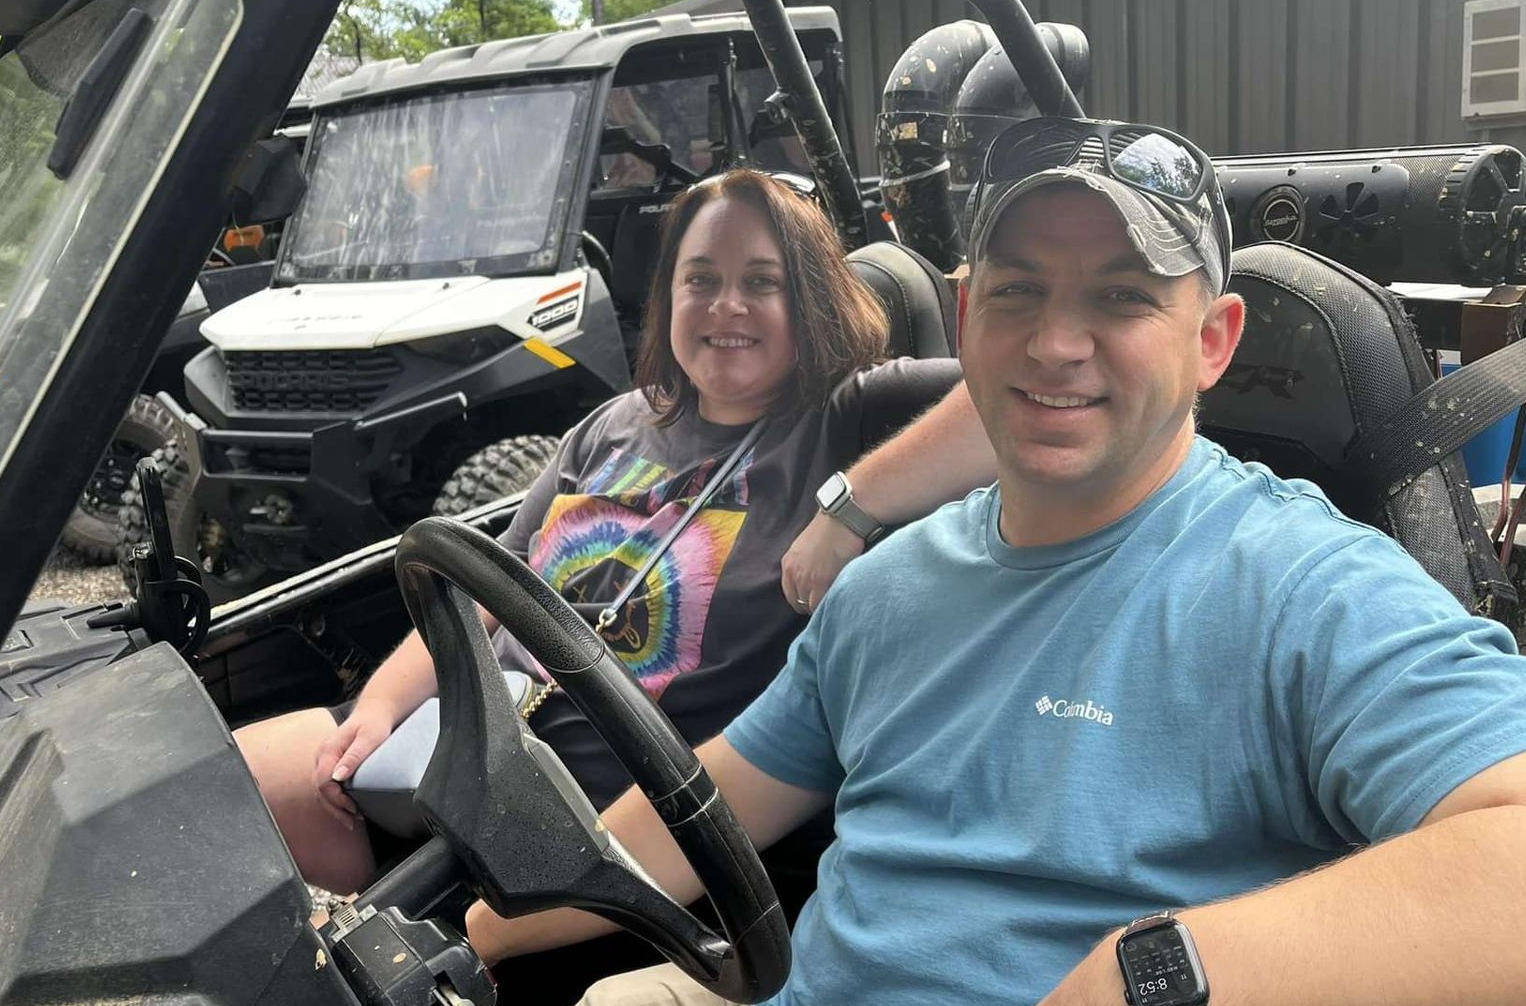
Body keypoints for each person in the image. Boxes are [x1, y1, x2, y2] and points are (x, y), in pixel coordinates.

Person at [362, 117, 1526, 1006]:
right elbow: (696, 816)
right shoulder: (891, 585)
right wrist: (432, 942)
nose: (1058, 344)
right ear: (966, 307)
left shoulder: (1296, 590)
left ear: (1213, 339)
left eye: (1119, 298)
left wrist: (1163, 978)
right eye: (1020, 293)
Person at [238, 168, 974, 893]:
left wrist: (852, 504)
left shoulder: (851, 415)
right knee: (206, 799)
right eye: (700, 279)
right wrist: (376, 708)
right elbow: (484, 588)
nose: (726, 306)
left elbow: (1024, 395)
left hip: (611, 826)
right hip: (458, 743)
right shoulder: (610, 426)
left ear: (810, 298)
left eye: (761, 282)